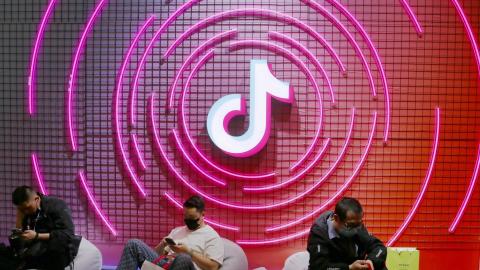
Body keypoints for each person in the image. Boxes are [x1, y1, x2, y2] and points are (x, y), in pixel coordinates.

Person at [116, 195, 224, 270]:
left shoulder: (211, 236)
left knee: (183, 258)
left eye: (191, 217)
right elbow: (156, 256)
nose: (188, 220)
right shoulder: (177, 231)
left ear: (203, 214)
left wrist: (189, 252)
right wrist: (162, 245)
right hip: (165, 265)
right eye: (185, 216)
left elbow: (213, 267)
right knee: (133, 244)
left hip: (185, 266)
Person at [11, 185, 81, 269]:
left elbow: (67, 234)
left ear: (36, 199)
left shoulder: (56, 205)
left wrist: (37, 236)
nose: (26, 211)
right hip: (38, 249)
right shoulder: (25, 212)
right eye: (22, 209)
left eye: (27, 208)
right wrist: (19, 217)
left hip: (58, 249)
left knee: (54, 249)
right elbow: (19, 241)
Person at [307, 197, 387, 270]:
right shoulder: (319, 232)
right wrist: (349, 267)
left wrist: (371, 261)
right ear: (336, 218)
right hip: (337, 267)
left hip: (355, 265)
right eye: (350, 225)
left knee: (379, 265)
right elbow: (318, 266)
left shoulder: (357, 226)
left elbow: (378, 247)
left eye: (359, 224)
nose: (355, 229)